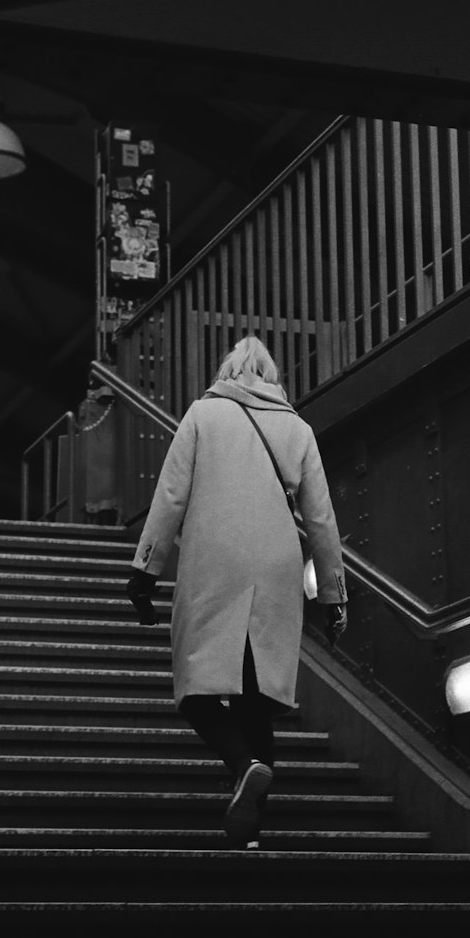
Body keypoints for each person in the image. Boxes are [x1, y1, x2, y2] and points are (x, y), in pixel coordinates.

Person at [126, 336, 347, 847]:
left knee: (196, 689)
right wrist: (333, 595)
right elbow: (320, 518)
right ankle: (250, 828)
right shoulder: (298, 428)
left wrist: (145, 572)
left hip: (214, 560)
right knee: (255, 701)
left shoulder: (203, 415)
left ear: (228, 371)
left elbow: (171, 495)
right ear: (271, 377)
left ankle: (242, 764)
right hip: (276, 564)